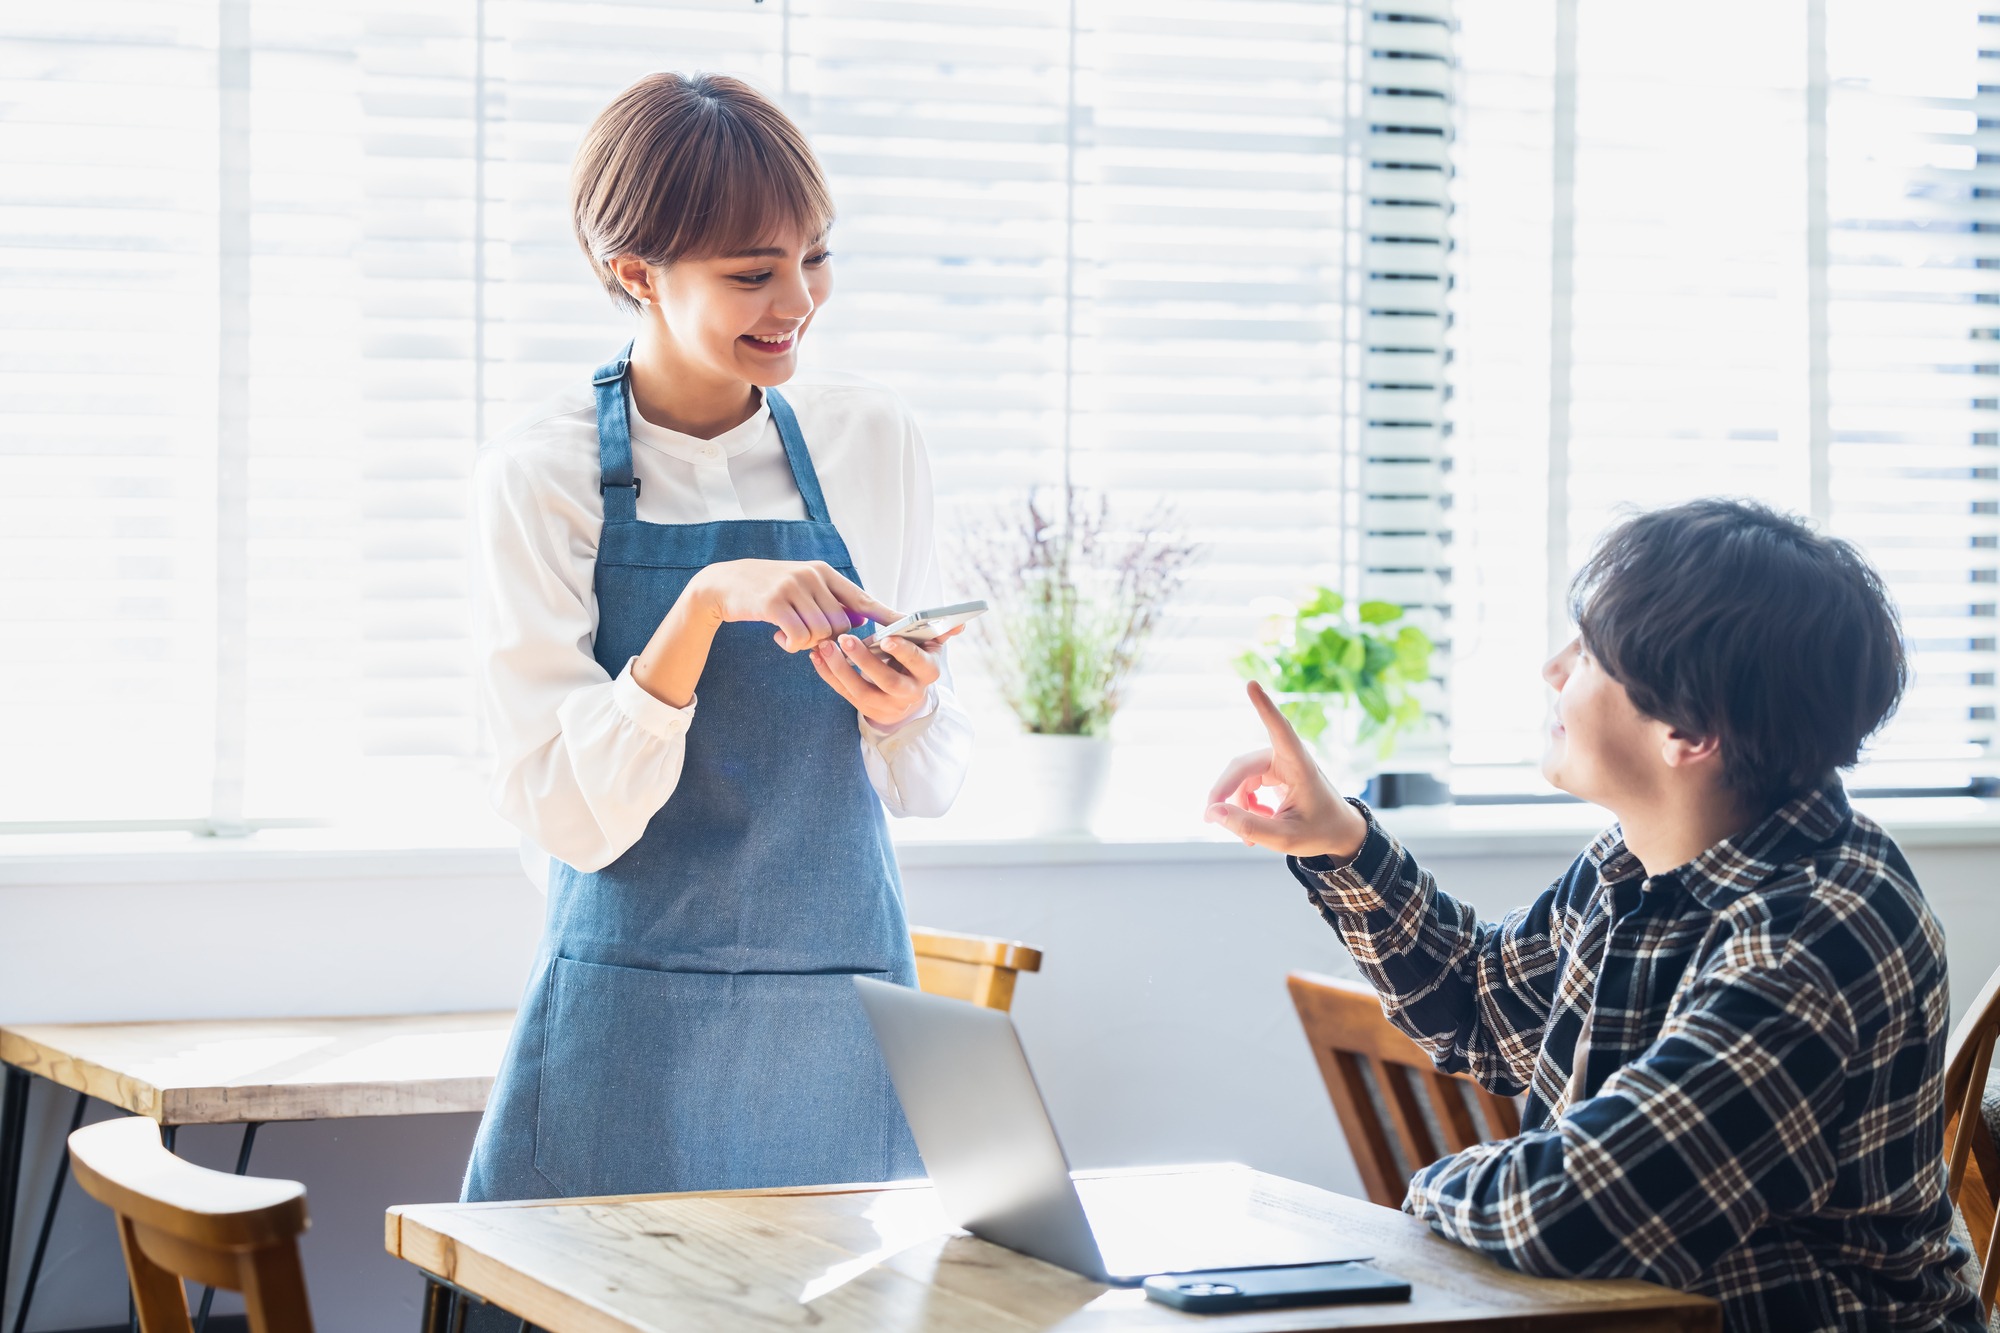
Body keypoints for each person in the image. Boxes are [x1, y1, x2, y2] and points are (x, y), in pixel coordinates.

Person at [1205, 499, 1981, 1331]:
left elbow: (1575, 1213)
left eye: (1589, 652)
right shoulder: (1642, 854)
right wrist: (1339, 840)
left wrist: (1426, 1190)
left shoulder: (1818, 934)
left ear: (1687, 729)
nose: (1553, 667)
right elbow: (1482, 1006)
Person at [461, 72, 972, 1203]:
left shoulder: (870, 438)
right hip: (621, 1014)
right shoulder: (539, 473)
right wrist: (699, 608)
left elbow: (926, 781)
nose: (797, 298)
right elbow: (558, 807)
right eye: (752, 271)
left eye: (815, 257)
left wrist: (905, 709)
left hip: (836, 1007)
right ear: (632, 272)